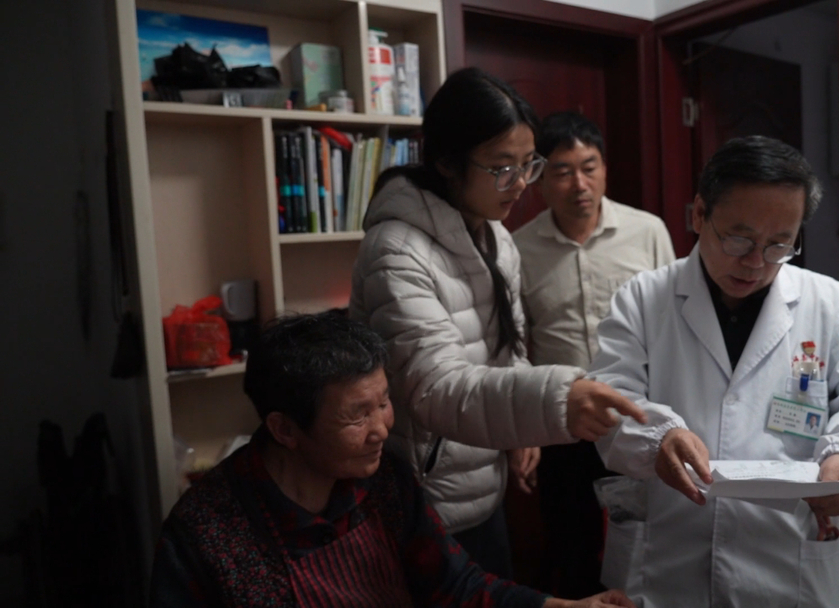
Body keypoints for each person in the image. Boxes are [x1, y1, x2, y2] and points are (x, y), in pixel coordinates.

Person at [350, 68, 647, 579]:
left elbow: (507, 347)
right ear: (447, 162)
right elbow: (434, 387)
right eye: (502, 168)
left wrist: (521, 430)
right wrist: (555, 400)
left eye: (528, 165)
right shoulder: (396, 250)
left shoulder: (495, 236)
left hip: (480, 476)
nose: (521, 184)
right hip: (427, 492)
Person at [591, 136, 839, 607]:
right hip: (666, 559)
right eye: (739, 239)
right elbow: (610, 399)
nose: (756, 262)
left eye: (779, 244)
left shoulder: (830, 304)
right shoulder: (642, 298)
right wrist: (657, 439)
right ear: (700, 214)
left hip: (784, 566)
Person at [148, 311, 636, 608]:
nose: (382, 428)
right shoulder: (208, 533)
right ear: (284, 429)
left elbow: (455, 587)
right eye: (357, 415)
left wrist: (563, 606)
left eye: (383, 403)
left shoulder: (384, 481)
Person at [512, 111, 675, 597]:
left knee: (648, 541)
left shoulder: (647, 232)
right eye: (563, 171)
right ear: (540, 179)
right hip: (560, 420)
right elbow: (514, 343)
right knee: (571, 545)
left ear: (604, 168)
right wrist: (522, 428)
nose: (579, 184)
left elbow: (673, 324)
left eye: (589, 167)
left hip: (637, 414)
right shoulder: (518, 248)